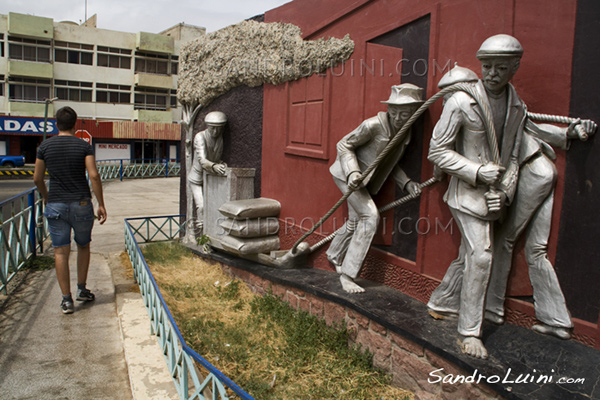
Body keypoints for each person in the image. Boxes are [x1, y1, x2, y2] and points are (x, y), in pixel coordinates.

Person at [427, 34, 526, 359]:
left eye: (501, 67)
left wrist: (507, 194)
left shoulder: (517, 106)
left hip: (493, 197)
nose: (493, 73)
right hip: (466, 195)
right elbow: (437, 151)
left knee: (469, 255)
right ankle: (470, 331)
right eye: (487, 66)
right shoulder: (460, 101)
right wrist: (475, 171)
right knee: (482, 256)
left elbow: (512, 158)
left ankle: (442, 301)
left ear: (515, 67)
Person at [327, 83, 423, 293]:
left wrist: (406, 183)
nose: (398, 118)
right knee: (370, 216)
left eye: (405, 114)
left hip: (362, 181)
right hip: (346, 176)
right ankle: (348, 275)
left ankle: (333, 254)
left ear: (414, 114)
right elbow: (343, 145)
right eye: (395, 112)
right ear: (389, 109)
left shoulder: (404, 133)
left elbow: (388, 162)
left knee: (355, 220)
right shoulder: (373, 125)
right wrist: (352, 172)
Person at [33, 106, 107, 314]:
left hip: (56, 204)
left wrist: (46, 196)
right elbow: (94, 175)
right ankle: (82, 289)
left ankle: (66, 300)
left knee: (60, 251)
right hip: (81, 205)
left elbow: (37, 178)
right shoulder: (83, 146)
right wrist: (100, 203)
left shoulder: (44, 146)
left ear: (56, 124)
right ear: (75, 124)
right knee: (83, 245)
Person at [188, 111, 228, 235]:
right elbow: (202, 160)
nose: (215, 132)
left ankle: (212, 234)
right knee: (202, 207)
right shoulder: (200, 137)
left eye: (219, 129)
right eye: (212, 128)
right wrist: (215, 166)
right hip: (197, 179)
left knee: (216, 207)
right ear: (207, 126)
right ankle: (201, 236)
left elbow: (215, 156)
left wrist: (221, 164)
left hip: (211, 177)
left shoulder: (220, 138)